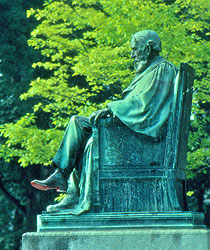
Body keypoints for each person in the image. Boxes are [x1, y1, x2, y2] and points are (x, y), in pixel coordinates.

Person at [31, 30, 177, 212]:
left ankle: (74, 194)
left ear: (147, 48)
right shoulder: (150, 71)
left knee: (92, 142)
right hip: (131, 129)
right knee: (77, 121)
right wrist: (114, 110)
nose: (132, 54)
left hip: (145, 138)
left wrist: (111, 109)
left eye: (135, 49)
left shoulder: (163, 69)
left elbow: (144, 105)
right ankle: (61, 177)